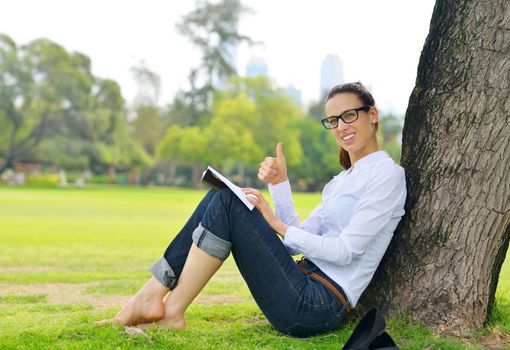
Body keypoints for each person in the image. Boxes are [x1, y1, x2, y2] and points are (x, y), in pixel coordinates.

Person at [96, 82, 407, 338]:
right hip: (299, 283)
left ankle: (166, 307)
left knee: (228, 201)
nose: (341, 126)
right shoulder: (341, 182)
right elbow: (293, 242)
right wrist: (280, 182)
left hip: (317, 305)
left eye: (349, 115)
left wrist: (275, 223)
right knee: (223, 197)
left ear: (373, 115)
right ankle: (154, 298)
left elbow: (345, 251)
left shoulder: (387, 175)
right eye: (333, 121)